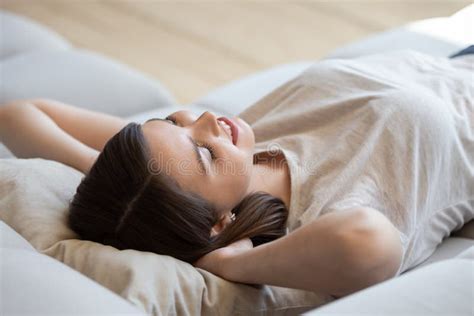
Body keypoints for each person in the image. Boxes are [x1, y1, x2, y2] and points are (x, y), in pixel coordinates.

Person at [0, 48, 472, 299]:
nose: (202, 120)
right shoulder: (330, 213)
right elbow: (365, 244)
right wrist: (229, 264)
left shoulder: (184, 164)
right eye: (204, 154)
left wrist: (122, 177)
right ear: (218, 224)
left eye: (171, 124)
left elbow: (18, 114)